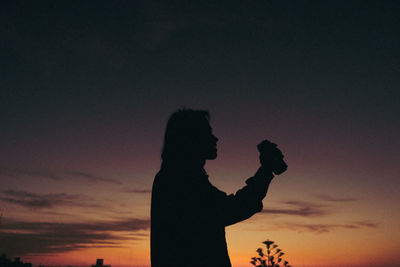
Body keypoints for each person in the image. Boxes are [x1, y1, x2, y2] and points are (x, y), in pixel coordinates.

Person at [151, 109, 286, 267]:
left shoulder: (178, 177)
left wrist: (265, 170)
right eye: (207, 133)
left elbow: (228, 208)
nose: (215, 138)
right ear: (190, 138)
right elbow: (231, 209)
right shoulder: (181, 180)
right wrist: (266, 169)